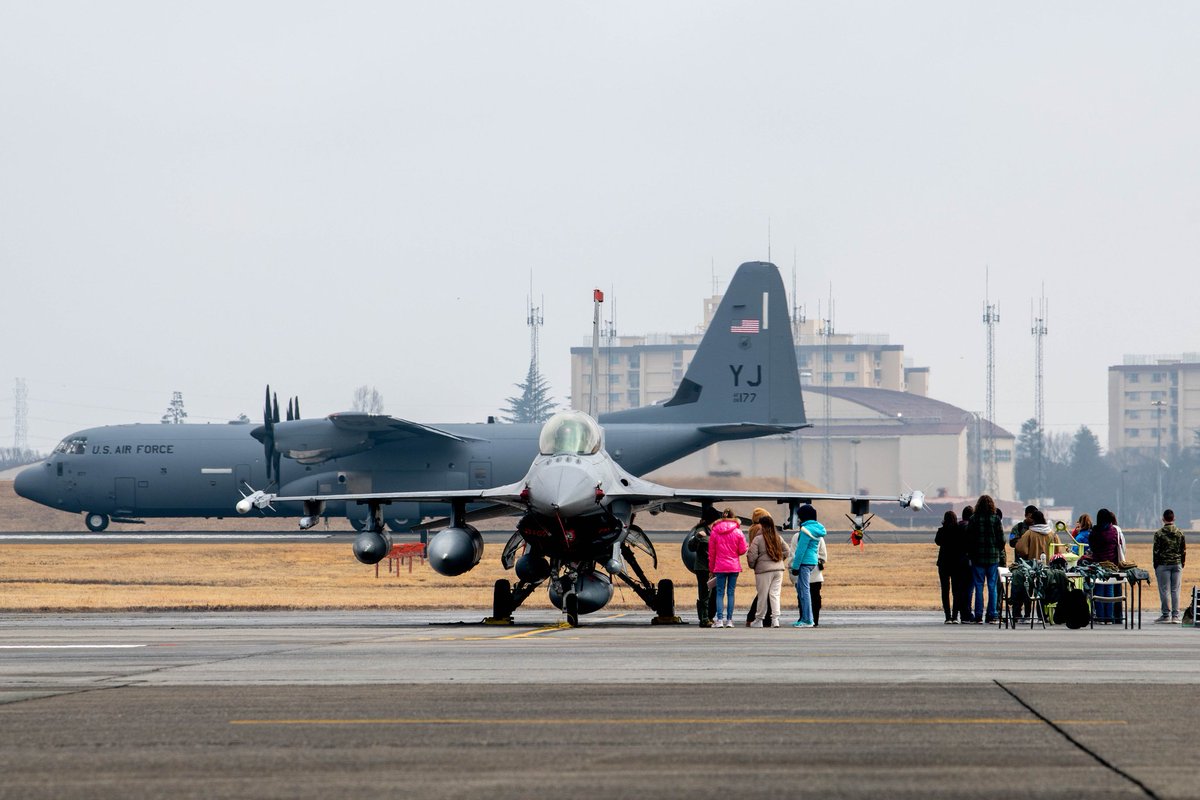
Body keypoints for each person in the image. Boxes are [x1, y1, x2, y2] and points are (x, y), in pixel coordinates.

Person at [1013, 510, 1059, 622]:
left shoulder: (1029, 533)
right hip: (1047, 568)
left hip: (1031, 567)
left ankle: (1028, 615)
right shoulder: (1052, 534)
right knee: (1043, 591)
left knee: (1028, 591)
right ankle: (1042, 616)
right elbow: (1058, 551)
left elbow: (1020, 549)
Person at [966, 494, 1004, 624]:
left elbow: (969, 539)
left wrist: (971, 553)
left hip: (977, 557)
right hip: (993, 557)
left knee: (979, 586)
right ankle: (992, 614)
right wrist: (997, 550)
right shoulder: (996, 519)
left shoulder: (973, 519)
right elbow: (1001, 539)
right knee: (992, 586)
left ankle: (978, 615)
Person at [746, 514, 790, 628]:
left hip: (764, 571)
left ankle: (759, 619)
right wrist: (780, 559)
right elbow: (787, 550)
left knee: (763, 595)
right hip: (778, 569)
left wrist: (754, 565)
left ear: (762, 525)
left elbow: (751, 555)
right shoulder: (778, 537)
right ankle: (775, 620)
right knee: (775, 595)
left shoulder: (758, 538)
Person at [707, 508, 747, 628]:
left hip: (719, 566)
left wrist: (711, 568)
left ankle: (719, 620)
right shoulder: (738, 532)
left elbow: (711, 553)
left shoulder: (714, 531)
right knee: (731, 593)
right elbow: (742, 550)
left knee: (720, 593)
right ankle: (729, 620)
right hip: (734, 566)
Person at [789, 504, 826, 628]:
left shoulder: (805, 531)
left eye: (799, 516)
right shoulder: (816, 529)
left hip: (804, 562)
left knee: (804, 592)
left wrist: (795, 566)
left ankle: (808, 620)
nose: (798, 519)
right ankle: (805, 618)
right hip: (812, 562)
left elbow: (800, 550)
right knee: (803, 590)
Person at [1153, 509, 1187, 623]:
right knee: (1175, 590)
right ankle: (1175, 616)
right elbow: (1183, 550)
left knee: (1164, 590)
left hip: (1163, 564)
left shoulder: (1159, 534)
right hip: (1177, 564)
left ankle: (1165, 615)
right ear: (1174, 518)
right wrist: (1182, 562)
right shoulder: (1180, 533)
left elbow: (1156, 551)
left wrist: (1155, 565)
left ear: (1163, 519)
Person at [686, 509, 718, 628]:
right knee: (705, 594)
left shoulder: (713, 531)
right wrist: (699, 537)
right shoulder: (701, 531)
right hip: (703, 568)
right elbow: (691, 547)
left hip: (713, 568)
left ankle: (709, 616)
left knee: (712, 594)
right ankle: (704, 618)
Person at [935, 510, 969, 624]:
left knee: (945, 591)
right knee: (956, 591)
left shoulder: (941, 531)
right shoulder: (959, 530)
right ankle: (955, 616)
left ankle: (947, 616)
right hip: (956, 563)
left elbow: (937, 542)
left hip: (943, 563)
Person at [744, 507, 772, 626]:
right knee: (767, 593)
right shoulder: (761, 530)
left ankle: (754, 617)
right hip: (765, 563)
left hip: (759, 563)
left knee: (764, 591)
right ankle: (763, 618)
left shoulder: (752, 528)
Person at [959, 505, 977, 622]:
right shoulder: (971, 528)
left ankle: (961, 613)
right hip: (969, 561)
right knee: (969, 588)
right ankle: (968, 613)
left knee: (960, 589)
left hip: (958, 561)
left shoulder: (957, 527)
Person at [809, 534, 828, 626]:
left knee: (803, 597)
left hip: (804, 572)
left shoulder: (798, 536)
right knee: (816, 597)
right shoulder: (820, 538)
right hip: (817, 574)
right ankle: (815, 620)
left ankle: (805, 618)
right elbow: (823, 557)